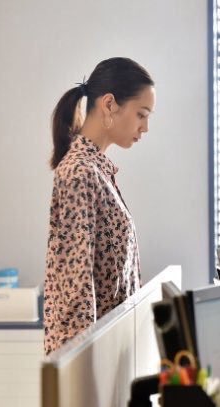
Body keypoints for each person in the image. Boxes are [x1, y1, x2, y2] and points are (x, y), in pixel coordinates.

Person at [43, 57, 155, 354]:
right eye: (141, 114)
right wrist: (83, 369)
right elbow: (76, 288)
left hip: (110, 352)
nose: (145, 127)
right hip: (89, 359)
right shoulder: (79, 172)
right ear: (109, 104)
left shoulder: (97, 170)